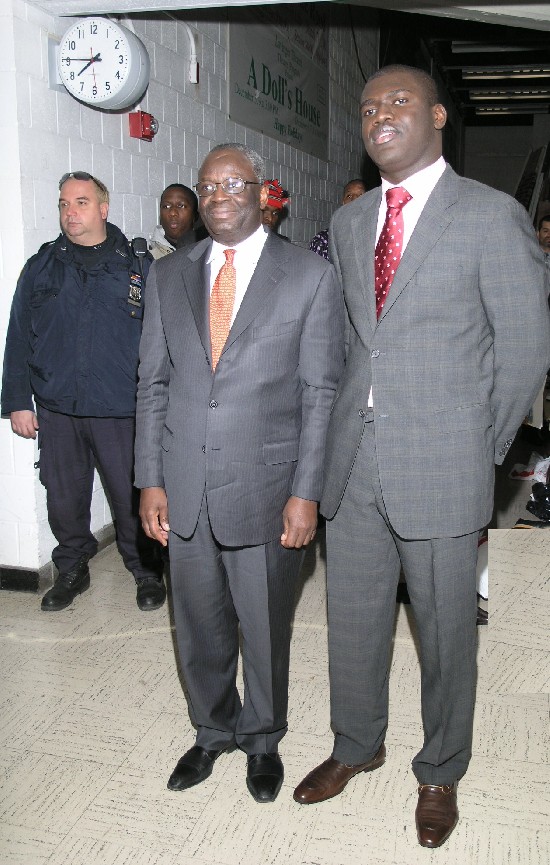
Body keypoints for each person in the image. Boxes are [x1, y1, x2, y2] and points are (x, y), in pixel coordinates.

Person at [293, 65, 550, 848]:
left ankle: (440, 767)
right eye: (369, 105)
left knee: (444, 630)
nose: (380, 115)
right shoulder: (349, 222)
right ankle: (355, 744)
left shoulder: (490, 215)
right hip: (355, 461)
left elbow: (526, 349)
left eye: (398, 101)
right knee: (355, 619)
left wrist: (479, 449)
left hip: (444, 459)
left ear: (438, 115)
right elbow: (343, 341)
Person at [134, 142, 344, 804]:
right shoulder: (170, 277)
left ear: (260, 192)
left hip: (268, 488)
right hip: (185, 487)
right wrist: (150, 478)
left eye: (234, 184)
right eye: (209, 186)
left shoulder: (308, 277)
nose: (219, 195)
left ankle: (262, 738)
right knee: (196, 623)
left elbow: (320, 393)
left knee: (263, 625)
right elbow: (153, 385)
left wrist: (306, 492)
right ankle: (212, 729)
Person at [1, 171, 165, 613]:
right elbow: (19, 334)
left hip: (120, 409)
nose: (70, 213)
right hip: (59, 409)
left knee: (131, 496)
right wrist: (18, 399)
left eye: (80, 202)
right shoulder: (42, 266)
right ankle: (72, 566)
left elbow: (161, 340)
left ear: (103, 208)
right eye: (63, 204)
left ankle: (146, 569)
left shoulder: (139, 267)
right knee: (63, 495)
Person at [309, 179, 366, 261]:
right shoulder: (323, 240)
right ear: (343, 203)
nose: (354, 200)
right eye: (349, 196)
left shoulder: (378, 239)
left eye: (360, 196)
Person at [149, 183, 207, 259]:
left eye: (181, 206)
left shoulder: (209, 252)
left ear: (195, 215)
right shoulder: (147, 257)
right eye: (166, 206)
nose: (172, 213)